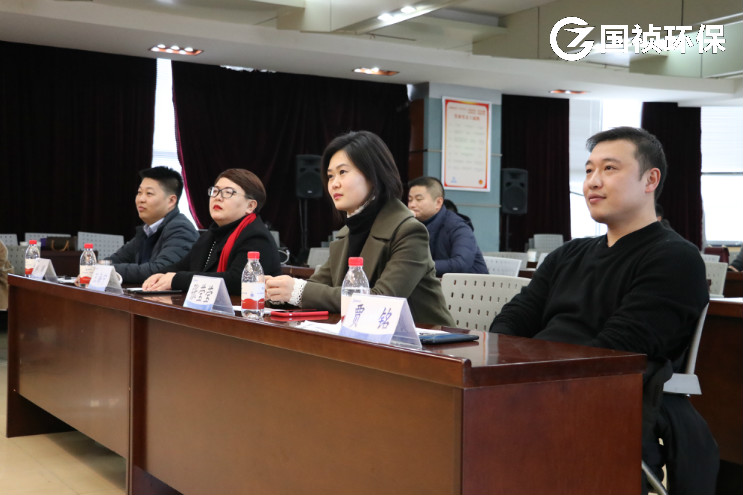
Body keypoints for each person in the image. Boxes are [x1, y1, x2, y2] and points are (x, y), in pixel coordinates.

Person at [488, 127, 716, 494]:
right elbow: (512, 320)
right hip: (533, 389)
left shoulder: (675, 258)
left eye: (609, 168)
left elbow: (613, 353)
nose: (593, 181)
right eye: (589, 170)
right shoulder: (568, 253)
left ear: (650, 180)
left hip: (596, 402)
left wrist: (526, 376)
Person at [264, 130, 453, 327]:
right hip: (370, 336)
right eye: (330, 176)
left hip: (427, 339)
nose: (334, 184)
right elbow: (317, 286)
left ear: (373, 175)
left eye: (342, 172)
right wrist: (278, 292)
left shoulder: (409, 232)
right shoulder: (347, 233)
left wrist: (297, 291)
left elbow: (382, 300)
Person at [142, 168, 281, 294]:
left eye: (228, 193)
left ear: (250, 206)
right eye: (215, 191)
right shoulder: (211, 234)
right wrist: (160, 275)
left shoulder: (256, 237)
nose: (218, 197)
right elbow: (184, 265)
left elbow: (237, 281)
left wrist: (175, 280)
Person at [106, 167, 199, 284]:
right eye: (139, 192)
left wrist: (106, 270)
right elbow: (115, 259)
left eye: (149, 193)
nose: (141, 199)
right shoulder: (148, 229)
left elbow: (159, 271)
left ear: (171, 201)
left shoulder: (181, 229)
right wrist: (98, 268)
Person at [407, 176, 487, 277]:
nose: (412, 205)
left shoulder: (458, 227)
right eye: (410, 200)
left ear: (438, 202)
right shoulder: (411, 225)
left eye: (419, 199)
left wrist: (419, 267)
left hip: (470, 285)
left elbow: (460, 264)